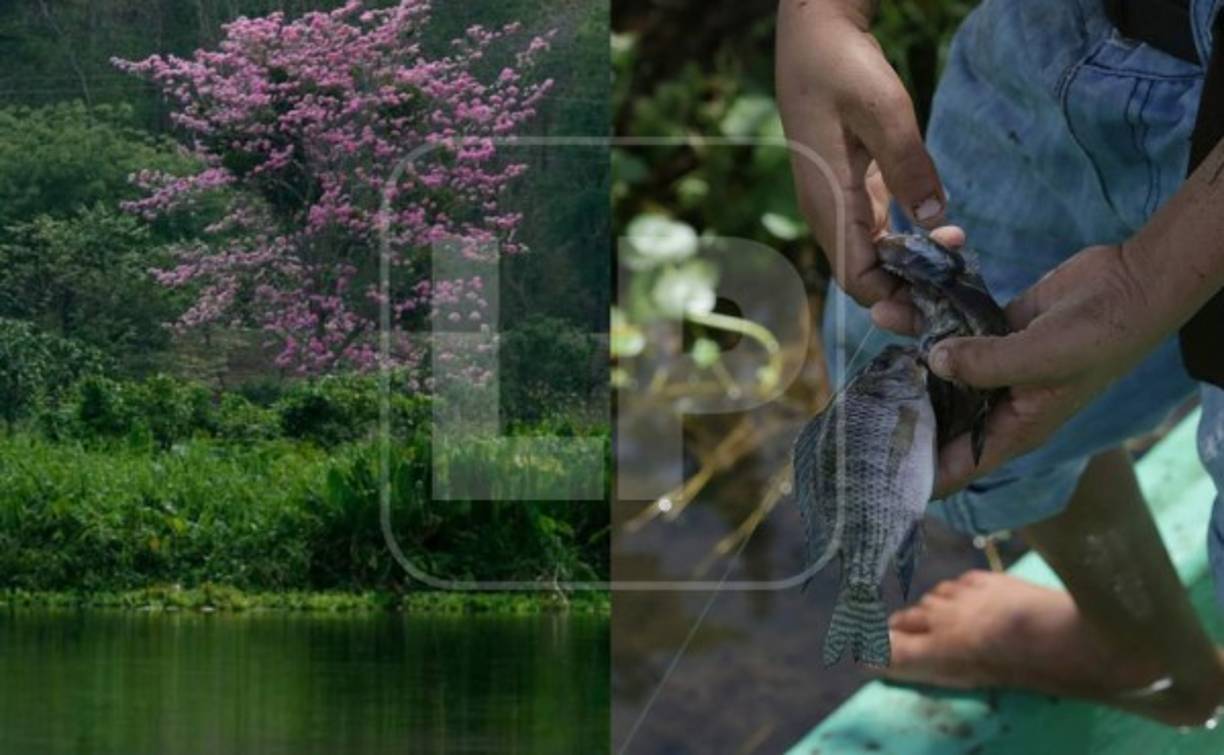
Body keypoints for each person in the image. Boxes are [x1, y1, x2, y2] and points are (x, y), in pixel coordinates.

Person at [777, 0, 1224, 725]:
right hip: (1060, 29)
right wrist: (820, 17)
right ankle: (1140, 644)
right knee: (976, 405)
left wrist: (1151, 279)